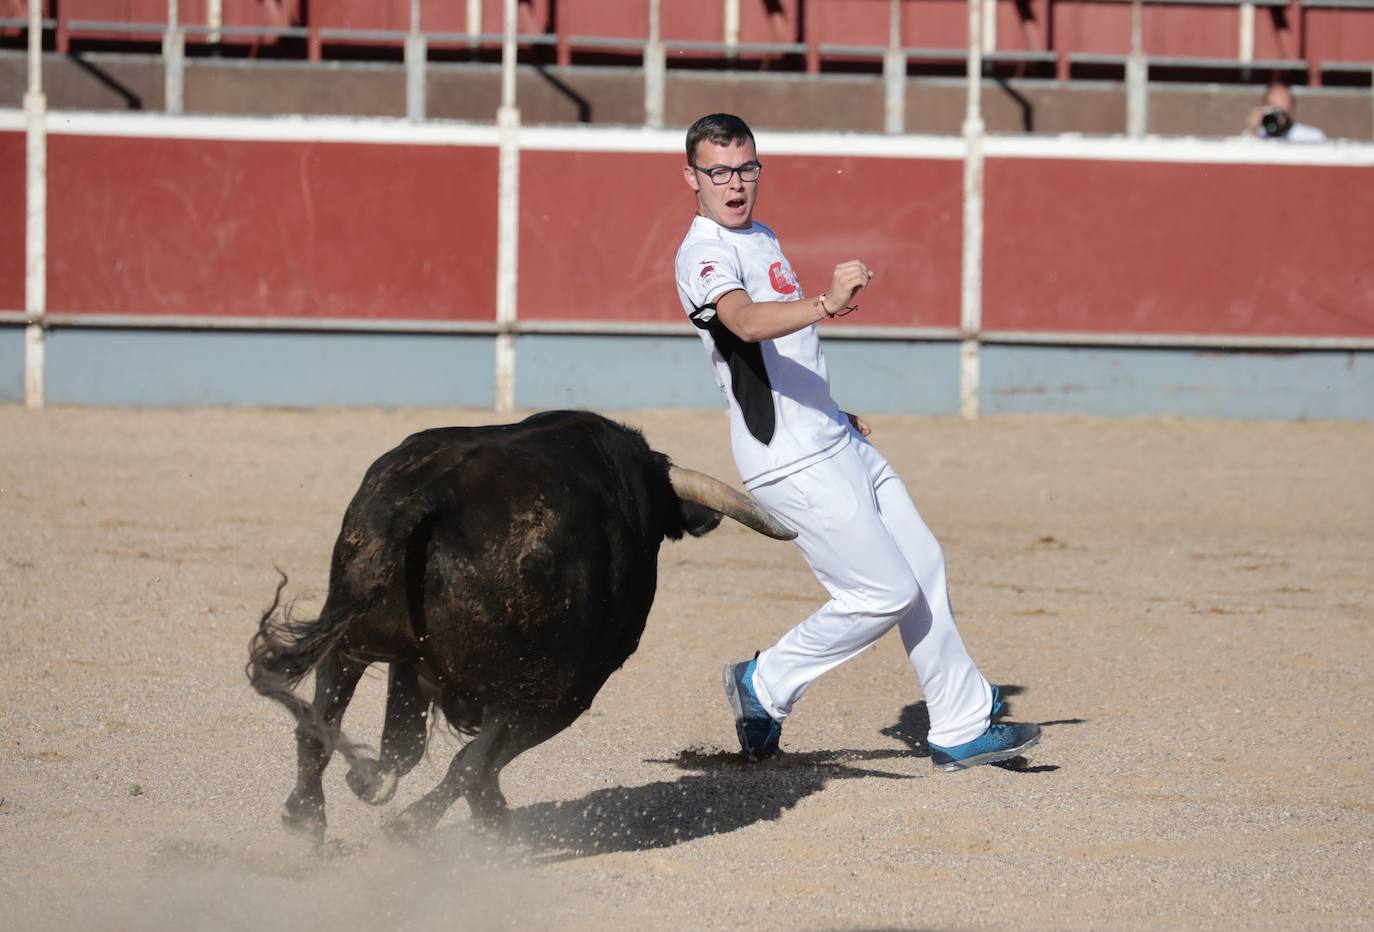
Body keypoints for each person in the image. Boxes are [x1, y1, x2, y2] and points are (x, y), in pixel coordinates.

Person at [672, 113, 1042, 771]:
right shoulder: (703, 253)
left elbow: (781, 355)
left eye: (745, 168)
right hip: (788, 458)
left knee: (924, 563)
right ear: (692, 178)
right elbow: (745, 323)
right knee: (882, 592)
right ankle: (765, 682)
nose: (734, 184)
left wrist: (830, 405)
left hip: (831, 435)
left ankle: (958, 724)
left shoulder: (761, 235)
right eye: (718, 171)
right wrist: (825, 303)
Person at [1244, 82, 1327, 143]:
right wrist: (1253, 130)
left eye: (1283, 112)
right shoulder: (1256, 135)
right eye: (1274, 110)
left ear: (1292, 107)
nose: (1279, 118)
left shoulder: (1312, 137)